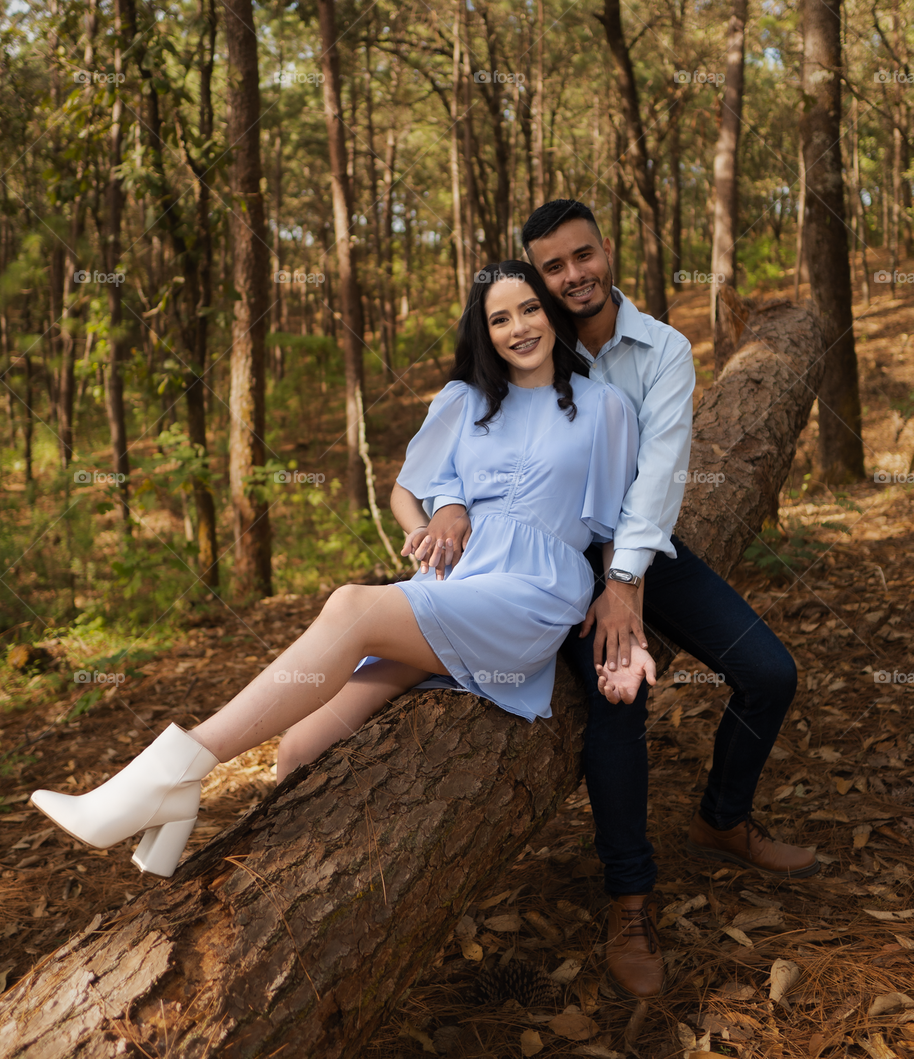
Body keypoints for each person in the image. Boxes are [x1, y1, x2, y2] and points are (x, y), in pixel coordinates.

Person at [30, 259, 644, 879]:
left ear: (552, 312)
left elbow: (622, 525)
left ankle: (171, 776)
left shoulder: (604, 407)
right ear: (483, 333)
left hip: (529, 598)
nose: (519, 328)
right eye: (499, 318)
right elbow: (409, 492)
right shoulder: (465, 401)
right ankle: (181, 852)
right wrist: (439, 515)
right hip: (455, 585)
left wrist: (624, 600)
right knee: (297, 751)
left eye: (530, 309)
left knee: (352, 605)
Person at [425, 201, 818, 1002]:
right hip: (546, 561)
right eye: (554, 267)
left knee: (771, 674)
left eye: (583, 256)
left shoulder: (662, 350)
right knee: (619, 702)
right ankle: (629, 900)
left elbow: (661, 473)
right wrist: (448, 507)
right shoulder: (525, 340)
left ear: (607, 252)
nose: (573, 276)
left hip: (639, 548)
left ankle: (723, 816)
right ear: (537, 279)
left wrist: (625, 584)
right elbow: (457, 436)